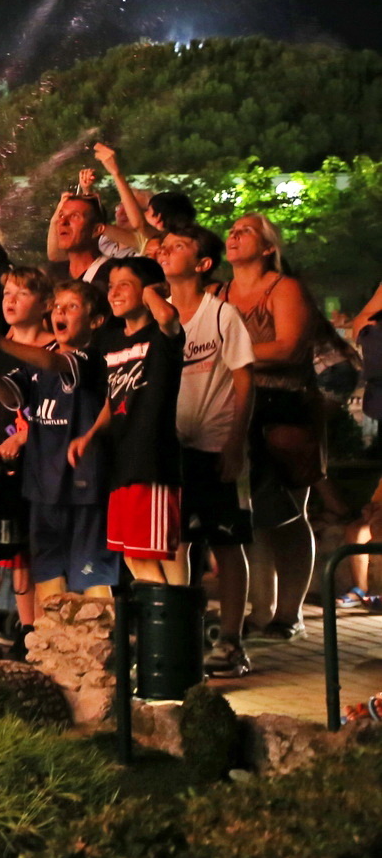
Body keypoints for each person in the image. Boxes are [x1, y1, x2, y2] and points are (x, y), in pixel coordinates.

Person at [0, 279, 114, 599]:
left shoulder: (91, 359)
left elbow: (54, 363)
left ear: (95, 321)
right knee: (48, 574)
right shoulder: (39, 361)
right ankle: (53, 643)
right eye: (57, 307)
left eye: (72, 307)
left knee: (91, 577)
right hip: (42, 487)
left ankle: (95, 643)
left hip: (82, 489)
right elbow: (10, 396)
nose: (60, 312)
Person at [158, 222, 257, 674]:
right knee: (178, 542)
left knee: (227, 542)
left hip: (216, 448)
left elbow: (244, 379)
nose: (165, 251)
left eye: (178, 247)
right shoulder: (157, 316)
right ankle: (183, 632)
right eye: (165, 245)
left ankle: (233, 641)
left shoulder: (221, 315)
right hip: (172, 450)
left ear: (201, 264)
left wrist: (235, 444)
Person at [225, 212, 322, 641]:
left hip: (282, 406)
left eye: (246, 230)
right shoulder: (221, 292)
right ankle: (261, 610)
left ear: (268, 247)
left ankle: (290, 611)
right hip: (237, 406)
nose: (234, 235)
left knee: (289, 512)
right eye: (232, 229)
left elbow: (288, 345)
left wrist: (231, 353)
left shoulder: (285, 289)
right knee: (251, 515)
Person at [84, 257, 186, 585]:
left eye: (124, 284)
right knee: (133, 555)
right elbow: (111, 400)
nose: (114, 292)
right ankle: (165, 632)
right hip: (121, 461)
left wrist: (156, 293)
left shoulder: (161, 335)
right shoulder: (109, 340)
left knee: (147, 556)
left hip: (152, 461)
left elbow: (169, 316)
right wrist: (89, 436)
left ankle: (170, 632)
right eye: (111, 285)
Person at [0, 266, 56, 653]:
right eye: (6, 292)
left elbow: (64, 410)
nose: (10, 300)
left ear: (44, 304)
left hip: (46, 462)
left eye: (21, 293)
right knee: (17, 551)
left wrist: (24, 437)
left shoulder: (56, 349)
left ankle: (47, 630)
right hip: (9, 463)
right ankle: (27, 631)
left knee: (43, 547)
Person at [91, 142, 196, 257]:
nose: (136, 214)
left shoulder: (161, 242)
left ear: (159, 220)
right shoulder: (145, 242)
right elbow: (100, 228)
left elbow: (140, 225)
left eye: (147, 212)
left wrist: (117, 173)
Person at [46, 189, 115, 286]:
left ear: (97, 230)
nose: (62, 222)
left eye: (74, 216)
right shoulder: (54, 275)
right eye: (61, 215)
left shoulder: (112, 275)